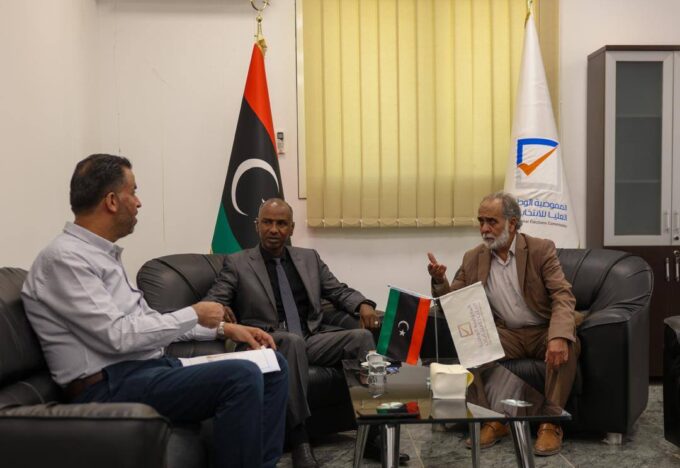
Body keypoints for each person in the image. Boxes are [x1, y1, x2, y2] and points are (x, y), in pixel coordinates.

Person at [21, 154, 289, 468]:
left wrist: (225, 329)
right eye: (133, 192)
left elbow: (149, 323)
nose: (139, 202)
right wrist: (194, 313)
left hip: (148, 370)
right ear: (111, 201)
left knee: (273, 365)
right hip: (107, 387)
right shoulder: (66, 259)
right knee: (240, 376)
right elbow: (118, 336)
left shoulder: (101, 255)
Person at [204, 198, 408, 467]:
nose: (273, 229)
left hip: (310, 337)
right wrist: (220, 308)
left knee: (361, 338)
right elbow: (212, 301)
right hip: (264, 342)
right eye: (267, 222)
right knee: (292, 342)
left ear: (291, 228)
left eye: (281, 224)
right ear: (257, 225)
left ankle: (371, 435)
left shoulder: (309, 258)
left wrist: (363, 304)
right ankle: (299, 437)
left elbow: (338, 290)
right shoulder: (237, 263)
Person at [427, 191, 581, 456]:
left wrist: (558, 335)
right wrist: (440, 282)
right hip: (507, 332)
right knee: (472, 347)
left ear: (512, 223)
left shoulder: (540, 249)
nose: (484, 229)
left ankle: (550, 423)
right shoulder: (473, 257)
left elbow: (562, 295)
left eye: (492, 221)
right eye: (481, 221)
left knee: (566, 343)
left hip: (542, 329)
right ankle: (493, 420)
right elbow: (453, 303)